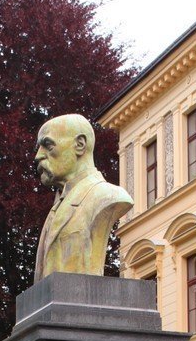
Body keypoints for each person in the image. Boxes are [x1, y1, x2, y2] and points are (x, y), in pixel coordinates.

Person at [33, 114, 133, 283]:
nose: (38, 156)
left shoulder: (105, 196)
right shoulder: (57, 207)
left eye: (48, 146)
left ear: (80, 145)